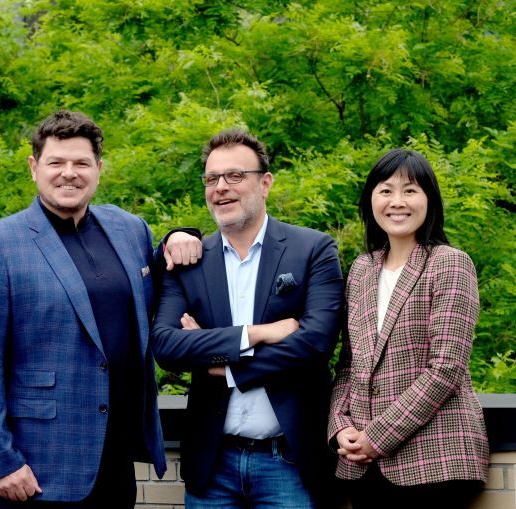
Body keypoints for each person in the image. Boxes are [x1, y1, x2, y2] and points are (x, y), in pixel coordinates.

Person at [0, 110, 202, 508]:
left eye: (81, 163)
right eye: (56, 162)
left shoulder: (128, 228)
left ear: (99, 169)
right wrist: (1, 462)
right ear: (34, 167)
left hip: (115, 457)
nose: (69, 173)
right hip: (36, 469)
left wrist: (179, 236)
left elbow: (157, 279)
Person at [152, 128, 344, 508]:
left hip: (289, 462)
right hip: (212, 464)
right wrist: (259, 333)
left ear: (265, 182)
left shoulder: (313, 250)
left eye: (235, 176)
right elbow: (167, 346)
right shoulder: (189, 262)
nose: (221, 187)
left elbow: (315, 342)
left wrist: (224, 367)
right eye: (211, 178)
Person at [328, 148, 489, 509]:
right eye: (386, 190)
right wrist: (341, 427)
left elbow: (446, 368)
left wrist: (377, 437)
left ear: (429, 199)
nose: (397, 201)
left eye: (410, 190)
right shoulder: (361, 270)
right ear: (371, 199)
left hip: (434, 461)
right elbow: (348, 366)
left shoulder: (450, 263)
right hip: (364, 469)